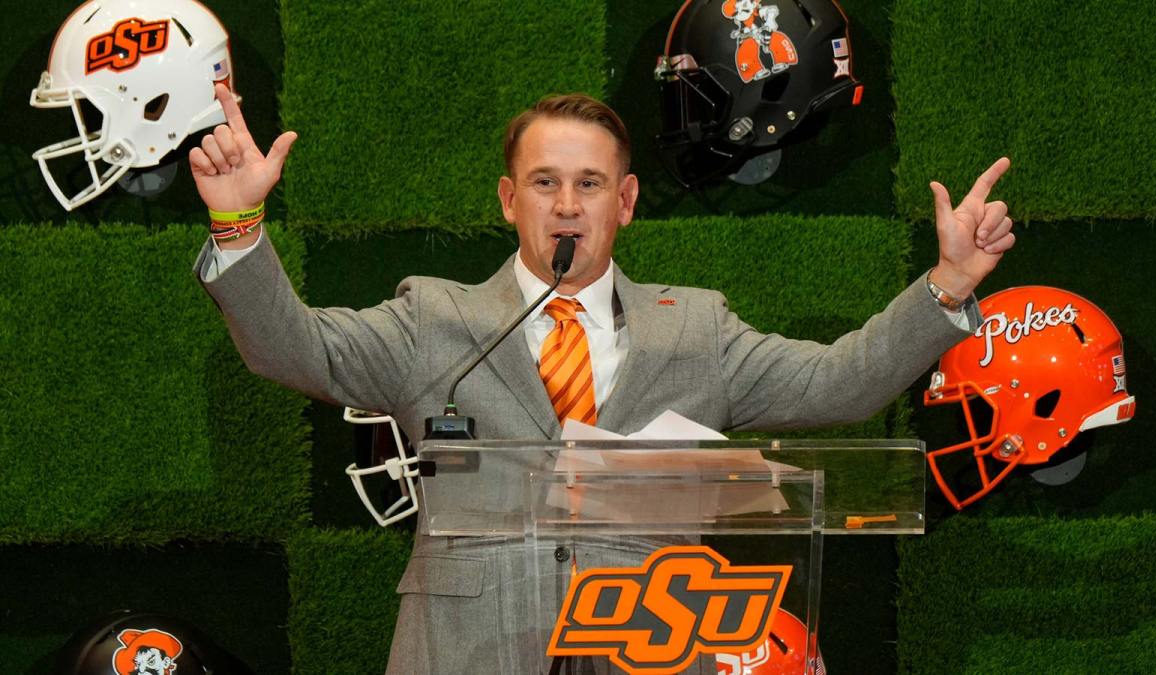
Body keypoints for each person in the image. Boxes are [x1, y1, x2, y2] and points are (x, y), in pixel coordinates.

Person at [189, 83, 1013, 672]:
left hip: (652, 645)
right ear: (511, 200)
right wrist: (237, 221)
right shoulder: (432, 318)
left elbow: (843, 383)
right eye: (545, 183)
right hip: (469, 651)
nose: (568, 205)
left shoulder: (698, 326)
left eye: (589, 185)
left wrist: (948, 283)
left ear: (625, 202)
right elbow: (294, 349)